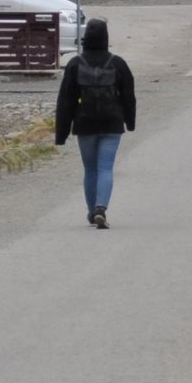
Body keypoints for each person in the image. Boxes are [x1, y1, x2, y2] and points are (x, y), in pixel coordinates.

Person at [52, 18, 136, 229]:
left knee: (90, 169)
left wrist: (61, 134)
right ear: (106, 38)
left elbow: (65, 101)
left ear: (85, 38)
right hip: (112, 123)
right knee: (105, 168)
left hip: (85, 123)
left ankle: (92, 212)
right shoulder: (118, 64)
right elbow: (128, 96)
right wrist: (130, 121)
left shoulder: (74, 64)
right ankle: (101, 208)